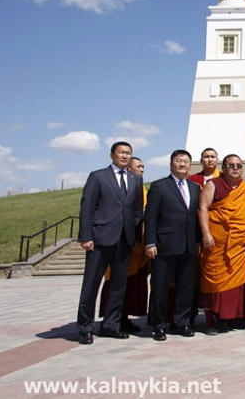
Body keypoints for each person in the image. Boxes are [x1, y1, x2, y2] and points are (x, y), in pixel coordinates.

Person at [76, 141, 144, 344]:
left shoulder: (135, 179)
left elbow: (138, 210)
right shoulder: (97, 176)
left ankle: (110, 325)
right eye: (121, 152)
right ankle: (84, 327)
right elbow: (87, 208)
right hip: (100, 239)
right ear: (112, 155)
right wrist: (86, 236)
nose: (124, 156)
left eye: (128, 153)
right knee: (91, 284)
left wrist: (135, 236)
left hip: (124, 240)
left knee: (118, 285)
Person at [199, 155, 245, 335]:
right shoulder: (213, 184)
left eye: (238, 165)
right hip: (217, 243)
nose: (235, 168)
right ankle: (214, 319)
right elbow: (203, 208)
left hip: (240, 244)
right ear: (224, 167)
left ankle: (236, 316)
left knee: (239, 283)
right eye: (231, 165)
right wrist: (205, 233)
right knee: (215, 280)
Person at [144, 150, 201, 341]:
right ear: (171, 164)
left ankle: (181, 322)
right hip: (164, 245)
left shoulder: (194, 188)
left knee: (185, 287)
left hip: (188, 245)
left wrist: (198, 241)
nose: (182, 164)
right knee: (160, 287)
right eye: (178, 161)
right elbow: (150, 217)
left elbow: (195, 217)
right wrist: (150, 242)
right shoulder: (159, 186)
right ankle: (158, 324)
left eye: (186, 161)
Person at [97, 156, 148, 333]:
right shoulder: (123, 187)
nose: (141, 170)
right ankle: (112, 319)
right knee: (117, 284)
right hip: (120, 243)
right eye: (138, 167)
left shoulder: (142, 189)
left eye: (143, 167)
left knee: (133, 285)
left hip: (137, 245)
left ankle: (125, 318)